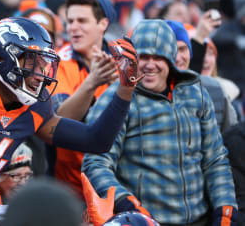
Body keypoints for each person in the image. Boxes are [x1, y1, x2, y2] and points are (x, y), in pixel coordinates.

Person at [0, 16, 140, 212]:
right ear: (1, 57)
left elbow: (96, 140)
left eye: (44, 65)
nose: (40, 74)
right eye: (31, 61)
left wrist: (125, 88)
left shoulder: (35, 108)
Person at [83, 19, 238, 225]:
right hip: (146, 220)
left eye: (159, 57)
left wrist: (225, 208)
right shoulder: (117, 98)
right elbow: (95, 162)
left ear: (171, 60)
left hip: (202, 219)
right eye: (143, 57)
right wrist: (126, 204)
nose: (149, 64)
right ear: (133, 58)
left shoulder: (195, 90)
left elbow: (215, 158)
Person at [51, 0, 118, 199]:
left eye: (82, 20)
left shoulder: (123, 59)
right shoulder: (58, 62)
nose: (73, 27)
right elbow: (60, 121)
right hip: (71, 188)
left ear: (103, 24)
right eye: (70, 21)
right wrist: (92, 82)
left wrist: (121, 87)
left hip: (120, 180)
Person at [166, 20, 237, 132]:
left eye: (182, 49)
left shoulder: (216, 89)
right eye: (172, 50)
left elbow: (230, 139)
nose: (178, 57)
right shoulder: (146, 94)